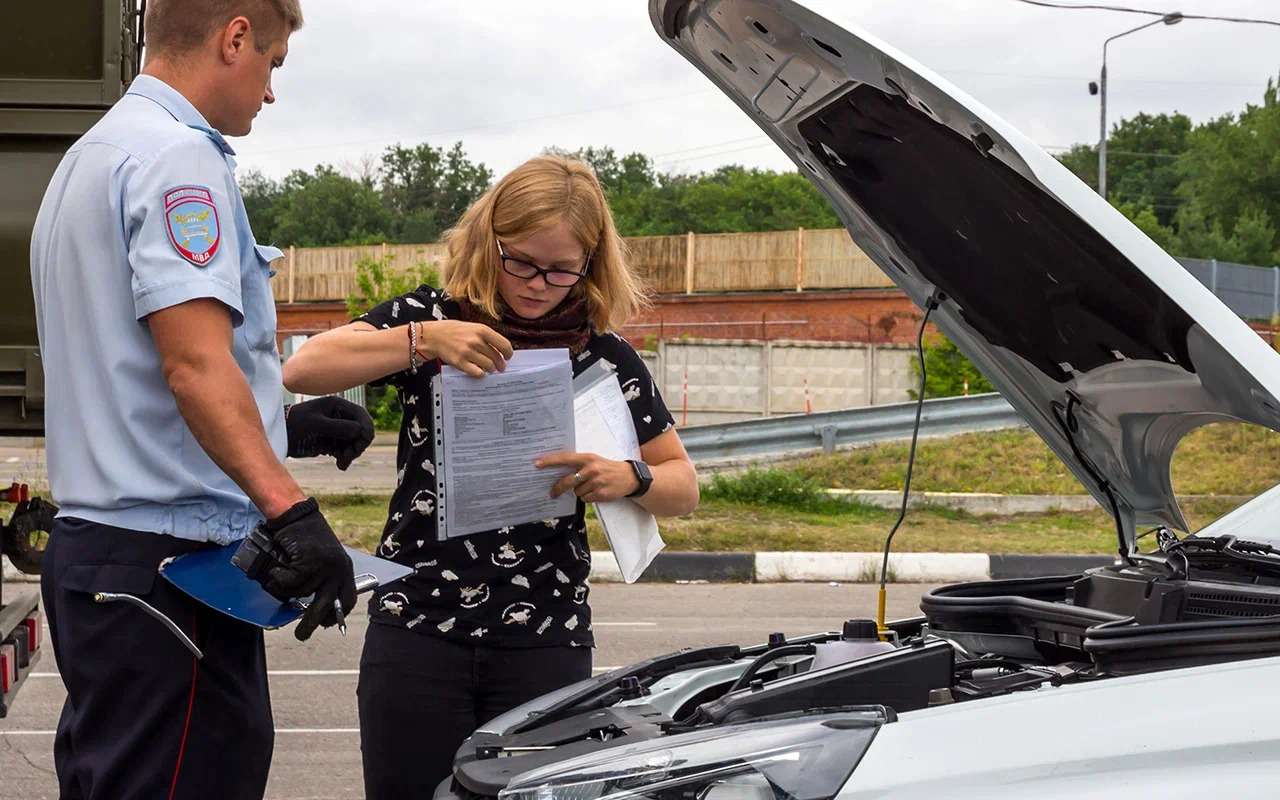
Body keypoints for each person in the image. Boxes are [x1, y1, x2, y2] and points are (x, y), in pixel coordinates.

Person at [29, 2, 368, 798]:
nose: (271, 91)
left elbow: (131, 371)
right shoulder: (179, 159)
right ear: (235, 36)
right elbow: (192, 365)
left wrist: (281, 425)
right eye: (274, 64)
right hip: (169, 570)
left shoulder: (93, 153)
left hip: (104, 557)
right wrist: (290, 510)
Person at [283, 154, 702, 797]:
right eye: (522, 261)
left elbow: (684, 487)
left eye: (563, 269)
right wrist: (424, 338)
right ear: (490, 240)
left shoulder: (603, 354)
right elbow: (304, 368)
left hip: (545, 638)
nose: (539, 284)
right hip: (419, 628)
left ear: (592, 262)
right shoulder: (435, 317)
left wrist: (629, 477)